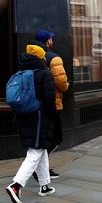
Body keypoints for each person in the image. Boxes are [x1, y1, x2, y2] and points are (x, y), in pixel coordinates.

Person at [5, 44, 59, 203]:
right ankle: (16, 185)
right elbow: (50, 98)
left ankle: (44, 186)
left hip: (25, 116)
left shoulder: (20, 72)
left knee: (40, 149)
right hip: (40, 117)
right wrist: (53, 117)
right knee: (35, 152)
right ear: (40, 57)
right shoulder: (44, 73)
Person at [35, 29, 68, 181]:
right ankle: (37, 167)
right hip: (52, 103)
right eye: (51, 39)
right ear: (48, 41)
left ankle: (42, 169)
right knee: (56, 137)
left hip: (35, 103)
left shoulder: (31, 57)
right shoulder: (54, 58)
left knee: (43, 137)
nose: (52, 42)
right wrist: (66, 85)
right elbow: (61, 83)